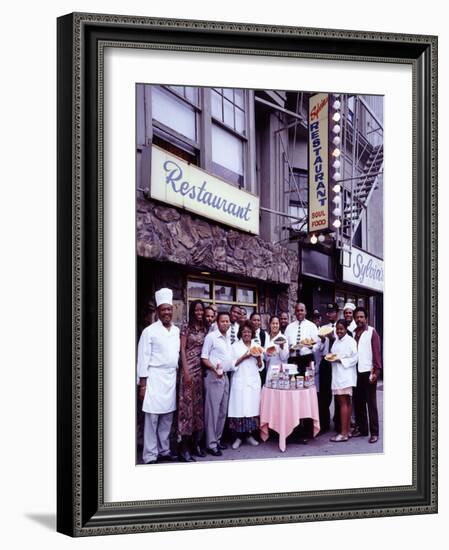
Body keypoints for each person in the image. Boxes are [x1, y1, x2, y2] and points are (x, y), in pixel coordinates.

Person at [137, 288, 180, 464]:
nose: (167, 312)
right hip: (154, 378)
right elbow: (142, 359)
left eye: (169, 309)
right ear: (157, 311)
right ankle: (150, 455)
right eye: (163, 309)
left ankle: (164, 450)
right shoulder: (149, 331)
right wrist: (142, 384)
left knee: (167, 417)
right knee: (152, 418)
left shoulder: (176, 331)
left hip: (170, 378)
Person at [285, 302, 320, 441]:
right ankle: (295, 428)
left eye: (302, 310)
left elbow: (318, 344)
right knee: (294, 394)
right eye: (297, 310)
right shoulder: (289, 327)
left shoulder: (311, 326)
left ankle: (308, 430)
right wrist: (289, 349)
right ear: (295, 311)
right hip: (293, 361)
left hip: (306, 360)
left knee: (307, 394)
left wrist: (310, 347)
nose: (299, 312)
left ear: (305, 312)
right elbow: (285, 346)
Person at [201, 312, 234, 456]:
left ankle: (218, 439)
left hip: (225, 376)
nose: (226, 323)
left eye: (228, 321)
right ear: (217, 322)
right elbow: (204, 357)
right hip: (214, 376)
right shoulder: (211, 337)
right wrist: (214, 369)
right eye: (223, 321)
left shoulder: (227, 338)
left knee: (222, 411)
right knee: (212, 411)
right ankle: (211, 444)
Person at [178, 300, 207, 462]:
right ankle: (184, 448)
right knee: (186, 410)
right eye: (196, 310)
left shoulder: (204, 328)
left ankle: (196, 444)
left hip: (200, 372)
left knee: (198, 411)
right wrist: (186, 372)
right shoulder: (185, 326)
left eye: (201, 310)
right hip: (188, 371)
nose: (199, 313)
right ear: (192, 311)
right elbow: (181, 349)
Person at [228, 321, 264, 449]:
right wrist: (244, 357)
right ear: (240, 333)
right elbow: (231, 365)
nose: (247, 334)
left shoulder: (257, 346)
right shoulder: (235, 346)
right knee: (239, 409)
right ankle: (238, 437)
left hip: (253, 382)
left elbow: (261, 367)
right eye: (244, 332)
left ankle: (249, 436)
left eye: (249, 332)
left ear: (252, 333)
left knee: (251, 410)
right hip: (240, 381)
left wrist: (259, 358)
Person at [352, 307, 382, 443]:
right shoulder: (353, 333)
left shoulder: (372, 332)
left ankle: (374, 432)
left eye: (361, 317)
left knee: (371, 404)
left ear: (366, 319)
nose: (359, 319)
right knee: (358, 402)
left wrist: (376, 371)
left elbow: (377, 353)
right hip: (356, 372)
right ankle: (363, 429)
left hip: (368, 372)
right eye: (357, 317)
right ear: (354, 319)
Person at [327, 320, 358, 442]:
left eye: (341, 329)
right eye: (338, 329)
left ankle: (343, 433)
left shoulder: (350, 341)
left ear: (346, 329)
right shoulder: (337, 341)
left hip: (345, 376)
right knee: (346, 403)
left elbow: (355, 358)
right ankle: (348, 430)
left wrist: (340, 361)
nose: (339, 331)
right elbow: (333, 354)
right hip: (338, 376)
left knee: (343, 403)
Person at [317, 302, 340, 434]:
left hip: (336, 362)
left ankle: (338, 423)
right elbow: (319, 349)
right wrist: (321, 340)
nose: (329, 314)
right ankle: (324, 424)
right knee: (324, 395)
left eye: (332, 312)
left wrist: (332, 339)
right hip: (325, 361)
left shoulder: (341, 327)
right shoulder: (322, 328)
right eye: (328, 312)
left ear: (337, 313)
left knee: (337, 392)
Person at [264, 315, 289, 384]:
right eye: (273, 323)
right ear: (270, 324)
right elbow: (266, 358)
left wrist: (281, 347)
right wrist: (267, 353)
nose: (275, 326)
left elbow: (284, 357)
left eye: (277, 323)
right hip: (269, 370)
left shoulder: (283, 338)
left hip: (280, 371)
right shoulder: (267, 338)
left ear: (279, 325)